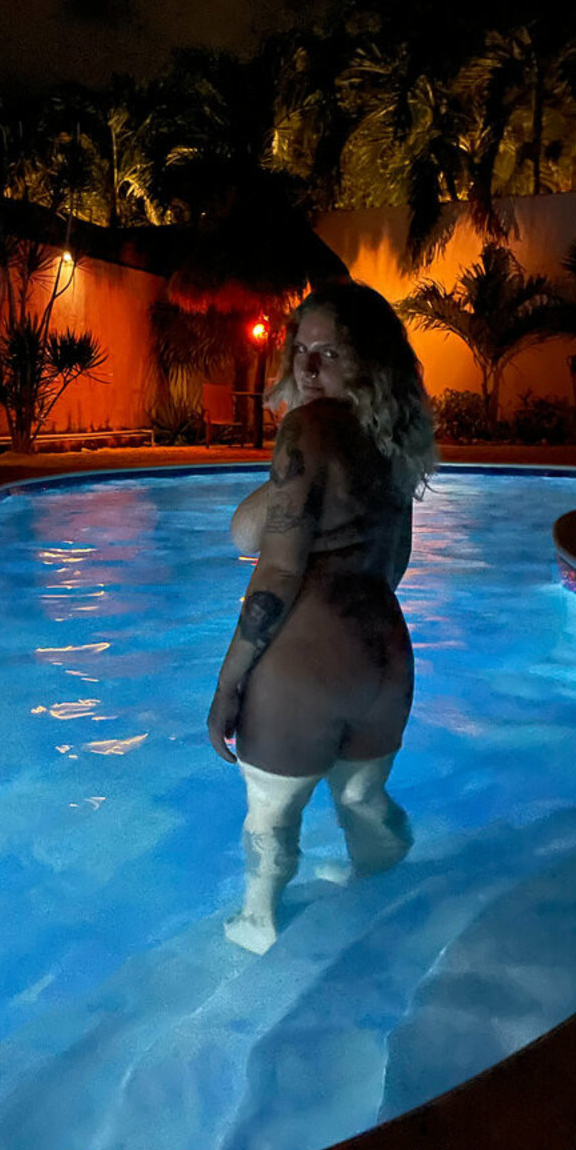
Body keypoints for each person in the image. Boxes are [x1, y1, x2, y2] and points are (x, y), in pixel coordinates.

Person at [207, 280, 438, 954]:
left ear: (369, 361)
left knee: (271, 814)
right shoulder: (396, 441)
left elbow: (277, 571)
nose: (307, 369)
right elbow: (395, 561)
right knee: (362, 799)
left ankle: (258, 922)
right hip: (385, 654)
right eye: (301, 351)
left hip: (305, 662)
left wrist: (228, 682)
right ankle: (381, 883)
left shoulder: (306, 429)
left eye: (330, 353)